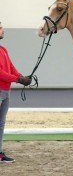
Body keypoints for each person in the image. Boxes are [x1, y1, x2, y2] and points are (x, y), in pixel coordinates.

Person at [0, 21, 31, 163]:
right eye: (0, 27)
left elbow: (11, 68)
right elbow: (0, 73)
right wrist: (18, 80)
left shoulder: (3, 50)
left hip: (6, 91)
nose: (3, 30)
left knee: (1, 122)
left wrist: (22, 77)